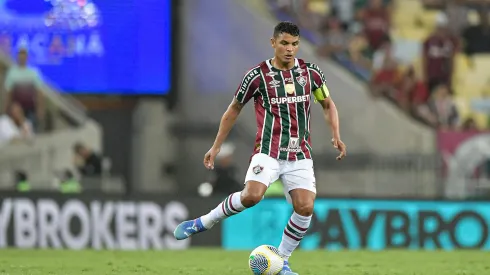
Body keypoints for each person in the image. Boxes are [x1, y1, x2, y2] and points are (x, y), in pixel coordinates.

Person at [173, 21, 346, 275]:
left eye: (295, 44)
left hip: (300, 154)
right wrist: (216, 146)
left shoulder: (311, 73)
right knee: (251, 196)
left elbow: (328, 104)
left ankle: (283, 261)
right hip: (268, 151)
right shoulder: (257, 76)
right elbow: (233, 109)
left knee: (306, 207)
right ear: (273, 42)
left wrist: (336, 135)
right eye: (284, 43)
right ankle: (203, 222)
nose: (290, 49)